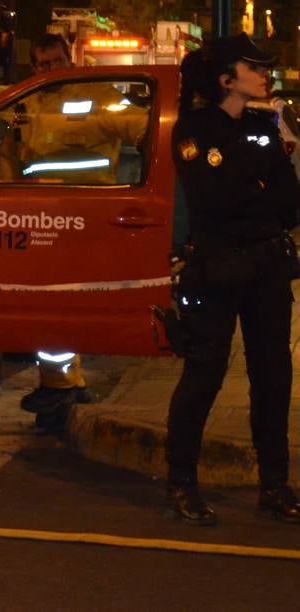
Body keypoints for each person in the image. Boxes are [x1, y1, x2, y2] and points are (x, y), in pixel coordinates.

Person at [166, 34, 300, 525]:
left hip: (267, 266)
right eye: (254, 67)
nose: (265, 74)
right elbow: (215, 201)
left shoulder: (265, 126)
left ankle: (275, 484)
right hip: (217, 267)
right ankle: (181, 482)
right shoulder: (195, 130)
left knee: (273, 376)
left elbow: (289, 203)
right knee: (204, 375)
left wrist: (256, 188)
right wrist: (258, 187)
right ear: (227, 79)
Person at [13, 34, 93, 425]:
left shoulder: (99, 95)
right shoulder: (28, 101)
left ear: (70, 59)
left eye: (57, 62)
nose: (50, 71)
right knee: (49, 307)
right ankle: (61, 385)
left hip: (83, 214)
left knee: (60, 306)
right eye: (43, 65)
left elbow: (137, 127)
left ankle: (62, 387)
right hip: (40, 217)